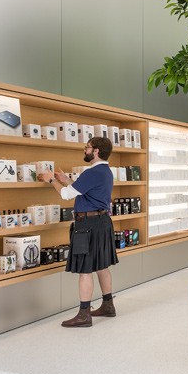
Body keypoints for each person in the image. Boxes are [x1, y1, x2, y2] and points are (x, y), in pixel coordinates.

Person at [39, 137, 119, 328]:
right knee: (102, 266)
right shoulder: (105, 171)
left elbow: (67, 195)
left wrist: (50, 179)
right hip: (102, 222)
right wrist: (66, 180)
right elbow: (86, 191)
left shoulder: (92, 172)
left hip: (87, 224)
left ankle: (84, 314)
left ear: (96, 151)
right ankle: (108, 305)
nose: (85, 150)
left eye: (88, 147)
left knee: (85, 270)